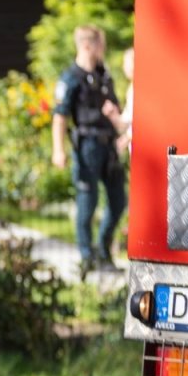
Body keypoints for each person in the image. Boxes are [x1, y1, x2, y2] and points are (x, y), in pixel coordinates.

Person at [51, 24, 127, 278]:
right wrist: (58, 150)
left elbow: (115, 108)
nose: (103, 48)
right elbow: (60, 117)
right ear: (86, 45)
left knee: (118, 201)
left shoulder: (104, 75)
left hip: (110, 145)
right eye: (99, 44)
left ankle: (103, 251)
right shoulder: (70, 78)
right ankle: (87, 258)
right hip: (87, 147)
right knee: (88, 203)